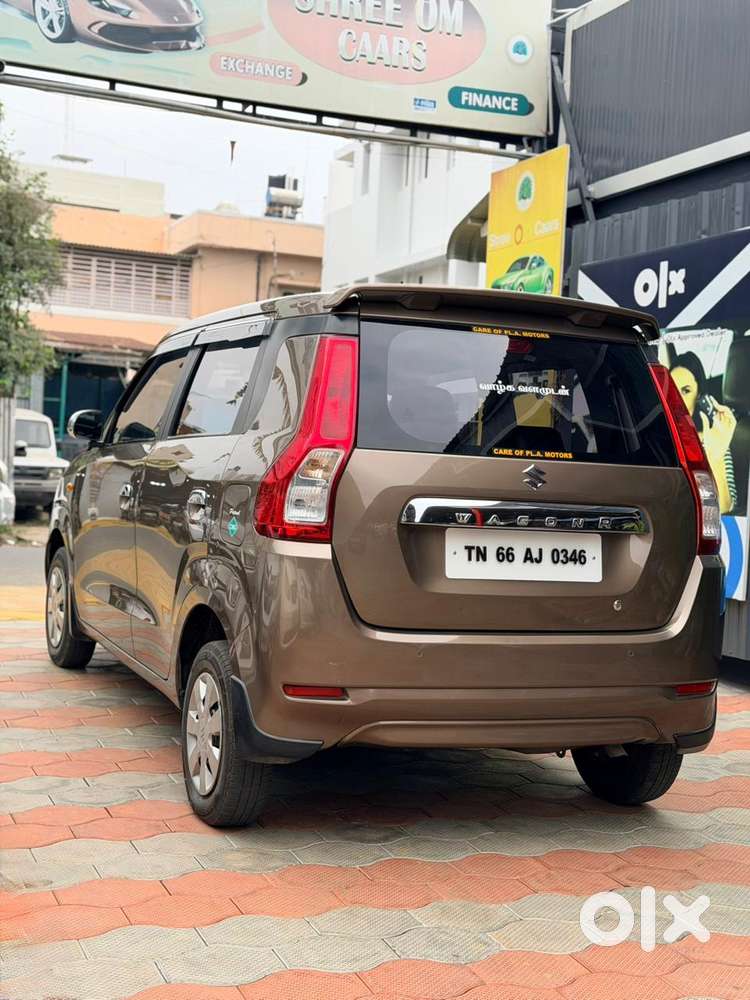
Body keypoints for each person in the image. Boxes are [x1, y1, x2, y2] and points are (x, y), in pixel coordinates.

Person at [670, 352, 737, 514]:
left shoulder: (713, 440)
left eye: (685, 391)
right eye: (672, 391)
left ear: (699, 396)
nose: (677, 399)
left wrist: (715, 457)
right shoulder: (651, 440)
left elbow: (725, 508)